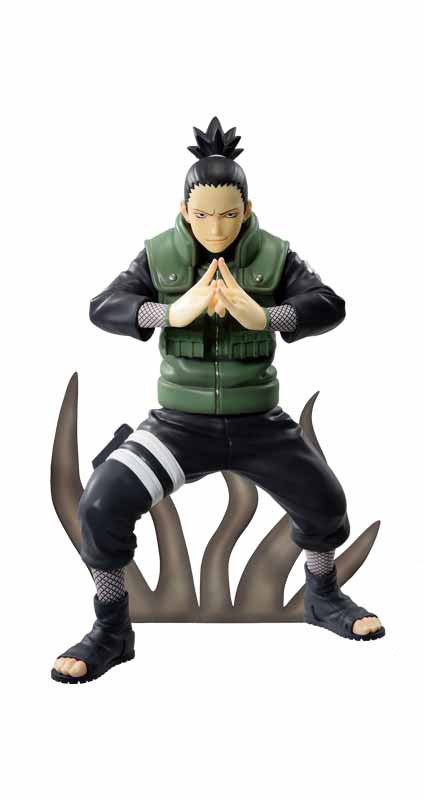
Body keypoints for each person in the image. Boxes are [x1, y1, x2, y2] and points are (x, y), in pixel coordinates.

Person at [52, 117, 384, 684]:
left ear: (247, 210)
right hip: (179, 425)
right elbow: (102, 306)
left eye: (229, 215)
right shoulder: (158, 255)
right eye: (203, 215)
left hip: (259, 422)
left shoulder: (276, 255)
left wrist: (268, 316)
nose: (215, 227)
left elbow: (330, 304)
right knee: (100, 506)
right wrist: (168, 312)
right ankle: (111, 628)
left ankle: (323, 596)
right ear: (185, 211)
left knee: (326, 504)